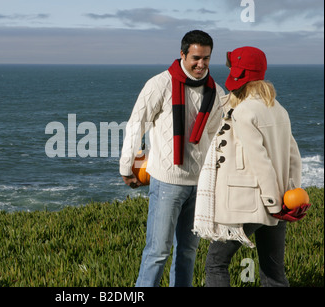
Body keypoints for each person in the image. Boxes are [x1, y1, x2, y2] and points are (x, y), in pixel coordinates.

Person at [193, 46, 306, 287]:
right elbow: (293, 156)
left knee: (215, 263)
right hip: (278, 201)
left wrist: (273, 203)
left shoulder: (244, 111)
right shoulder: (278, 109)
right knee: (273, 273)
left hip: (247, 202)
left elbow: (259, 160)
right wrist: (288, 196)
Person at [119, 30, 225, 287]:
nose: (201, 64)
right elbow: (136, 125)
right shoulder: (159, 84)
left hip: (200, 185)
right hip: (167, 181)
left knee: (188, 252)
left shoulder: (217, 92)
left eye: (207, 59)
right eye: (196, 58)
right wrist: (126, 167)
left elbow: (219, 139)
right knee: (157, 252)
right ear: (182, 55)